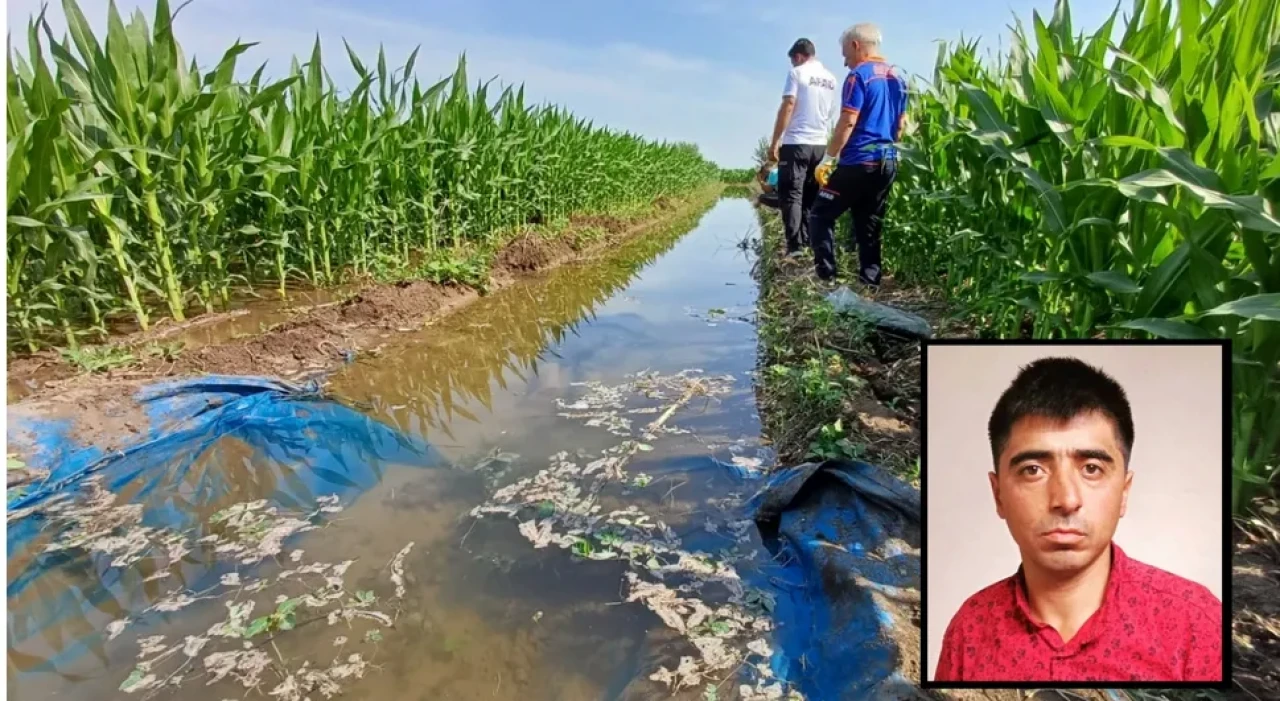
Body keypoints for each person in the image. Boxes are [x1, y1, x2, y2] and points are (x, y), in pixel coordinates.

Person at [934, 357, 1223, 684]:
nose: (1066, 500)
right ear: (998, 494)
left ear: (1124, 492)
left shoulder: (1196, 624)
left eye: (1091, 469)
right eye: (1033, 470)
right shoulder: (970, 630)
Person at [808, 23, 908, 287]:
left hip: (858, 161)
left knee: (820, 215)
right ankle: (870, 282)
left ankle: (827, 277)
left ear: (856, 45)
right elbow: (901, 126)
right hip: (887, 161)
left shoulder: (858, 77)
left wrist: (829, 158)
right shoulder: (898, 77)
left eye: (845, 55)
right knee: (869, 223)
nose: (845, 62)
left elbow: (847, 121)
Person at [766, 38, 837, 256]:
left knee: (791, 195)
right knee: (811, 195)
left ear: (798, 57)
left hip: (796, 142)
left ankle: (795, 247)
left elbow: (788, 105)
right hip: (820, 144)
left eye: (793, 61)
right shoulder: (831, 79)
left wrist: (776, 140)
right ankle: (809, 241)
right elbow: (831, 111)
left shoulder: (797, 74)